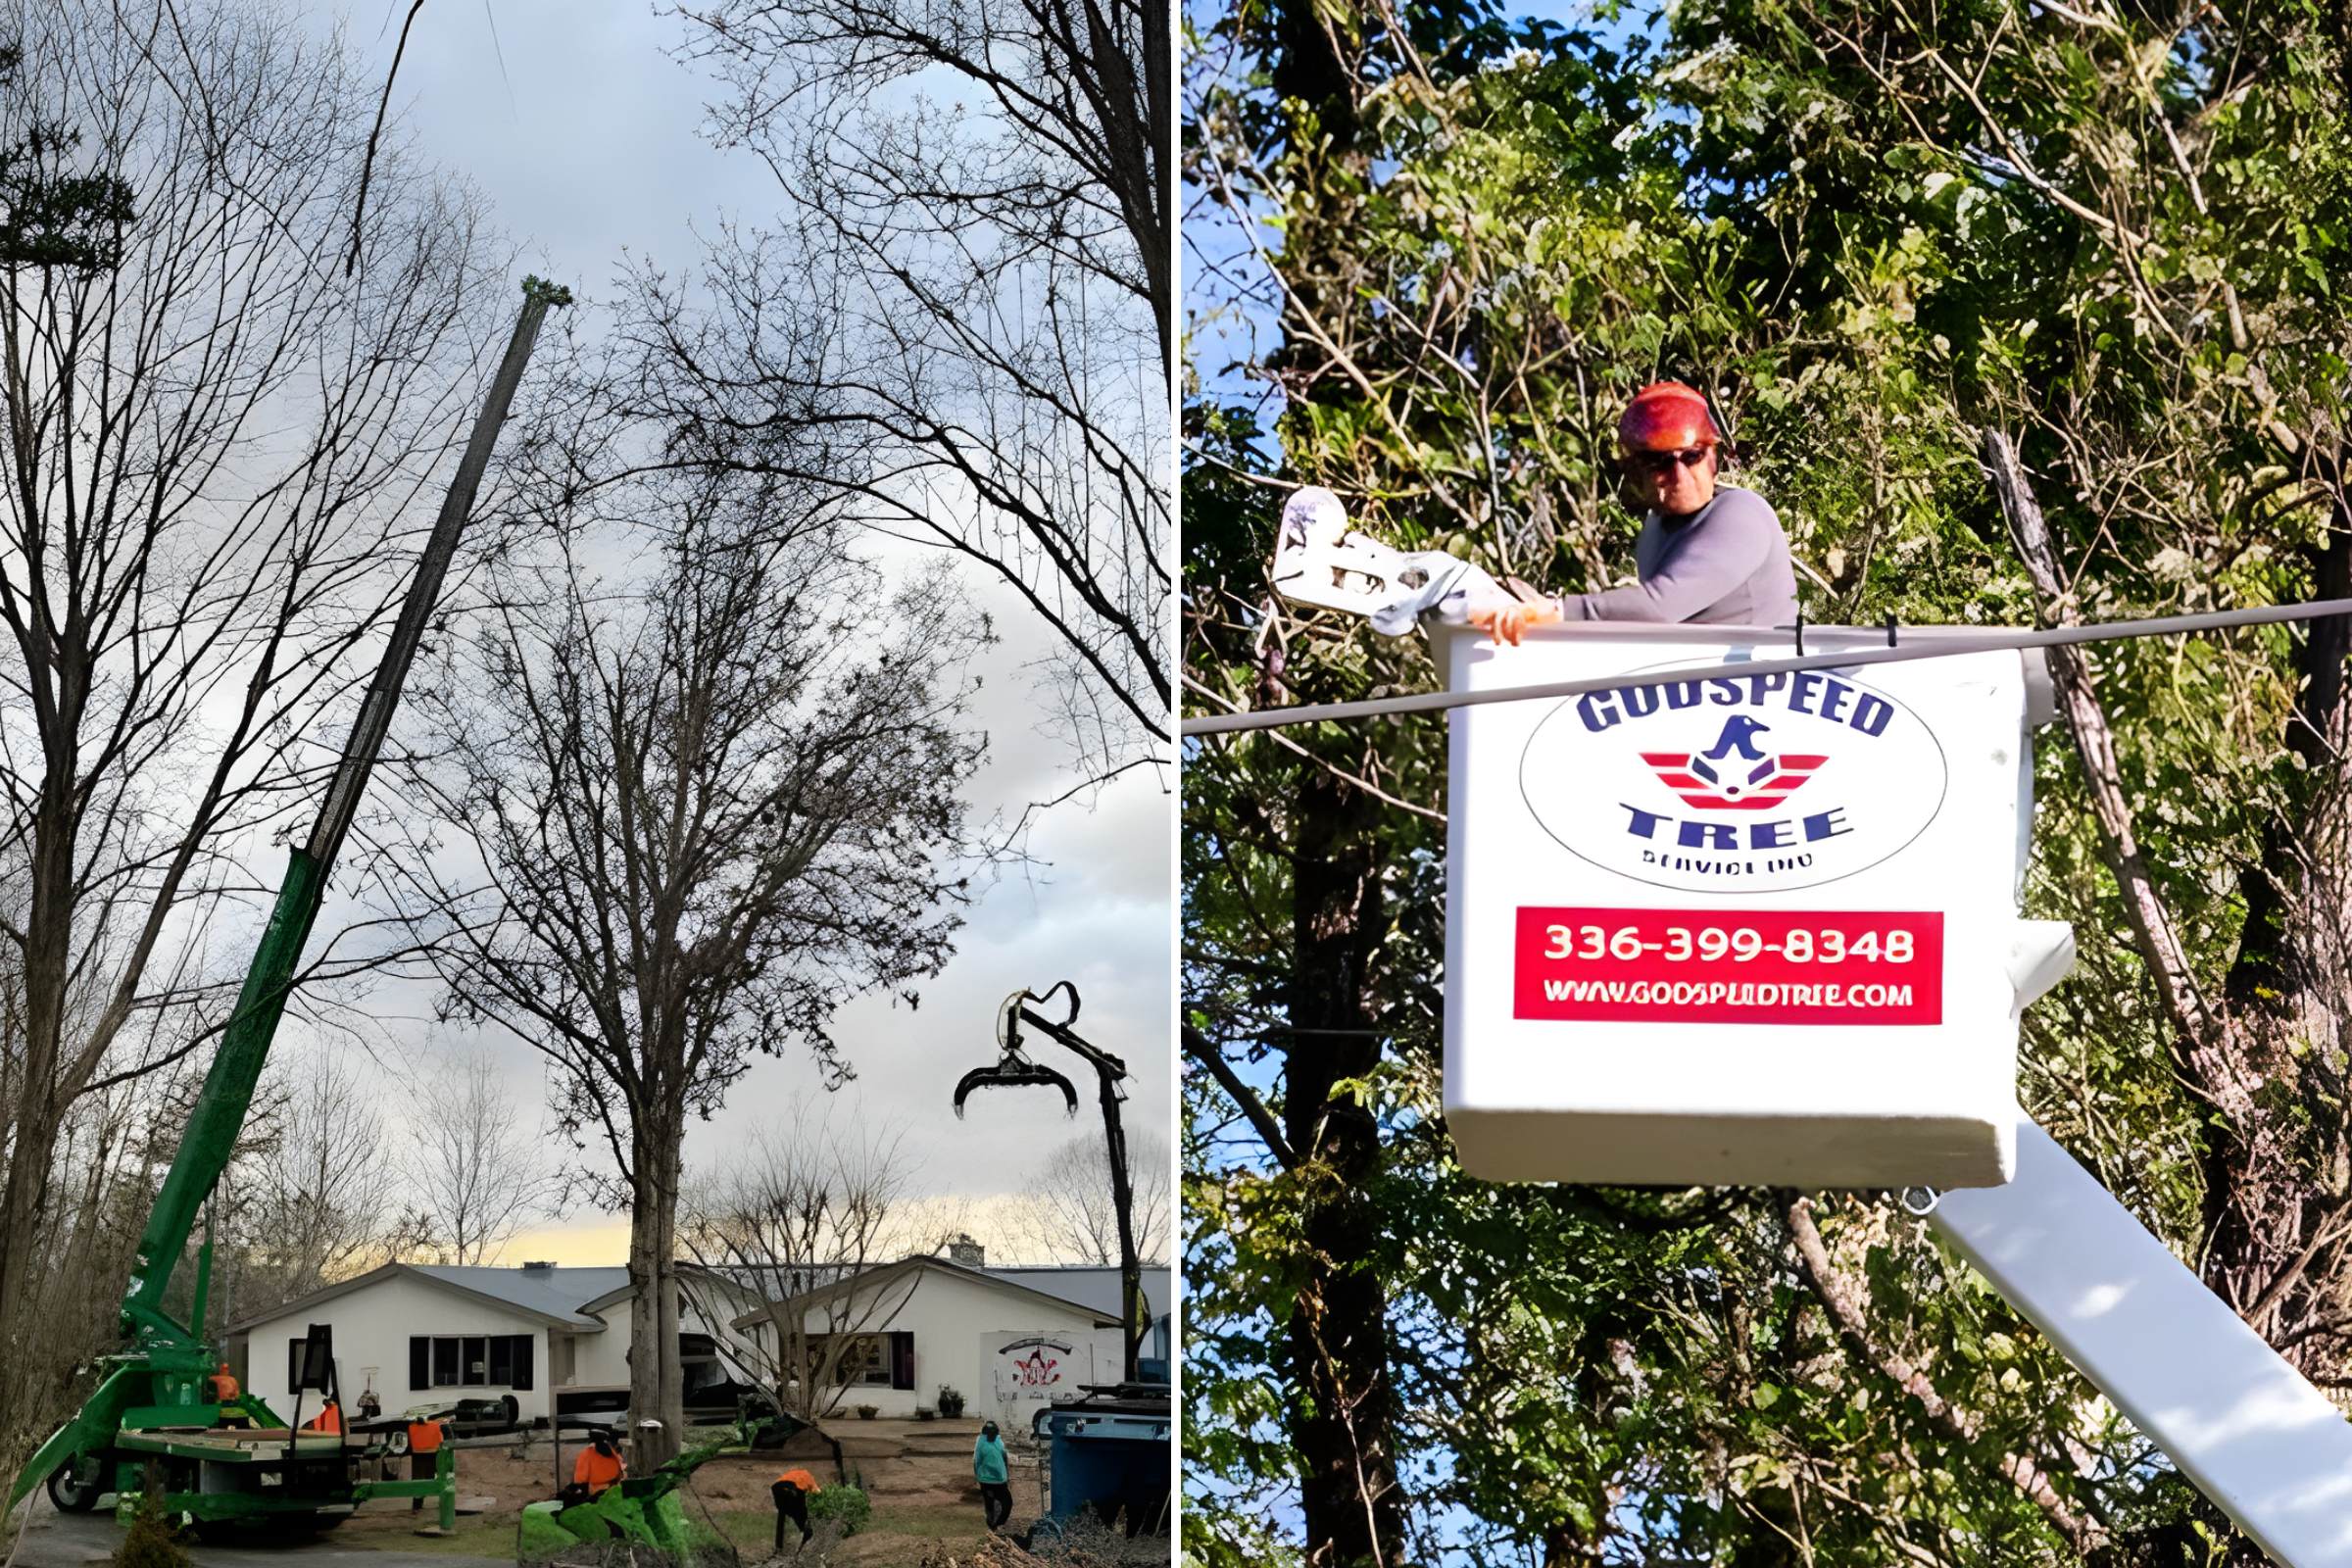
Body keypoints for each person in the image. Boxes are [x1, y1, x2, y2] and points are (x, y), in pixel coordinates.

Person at [1471, 380, 1799, 643]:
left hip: (1770, 695)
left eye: (1692, 457)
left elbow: (1660, 607)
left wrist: (1556, 611)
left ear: (1713, 456)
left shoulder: (1741, 514)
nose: (1680, 477)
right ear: (1636, 470)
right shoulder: (1656, 528)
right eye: (1660, 462)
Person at [973, 1420, 1011, 1532]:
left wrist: (1006, 1474)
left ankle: (997, 1524)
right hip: (987, 1480)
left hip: (998, 1480)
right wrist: (978, 1477)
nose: (992, 1436)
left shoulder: (997, 1442)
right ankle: (993, 1526)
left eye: (993, 1434)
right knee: (992, 1504)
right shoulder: (982, 1443)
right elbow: (976, 1462)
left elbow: (1004, 1457)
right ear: (986, 1434)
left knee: (1006, 1503)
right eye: (990, 1434)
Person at [771, 1467, 820, 1550]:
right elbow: (818, 1493)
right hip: (794, 1488)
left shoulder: (792, 1473)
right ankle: (805, 1533)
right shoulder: (809, 1477)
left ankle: (779, 1546)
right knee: (801, 1514)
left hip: (777, 1488)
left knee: (782, 1514)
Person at [407, 1415, 446, 1511]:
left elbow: (409, 1442)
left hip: (417, 1454)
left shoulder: (411, 1426)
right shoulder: (435, 1425)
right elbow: (441, 1440)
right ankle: (442, 1501)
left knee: (417, 1479)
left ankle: (417, 1505)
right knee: (430, 1477)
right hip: (432, 1454)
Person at [572, 1429, 626, 1499]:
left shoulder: (586, 1453)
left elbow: (580, 1478)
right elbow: (620, 1469)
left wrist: (578, 1490)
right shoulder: (611, 1450)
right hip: (614, 1489)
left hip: (597, 1491)